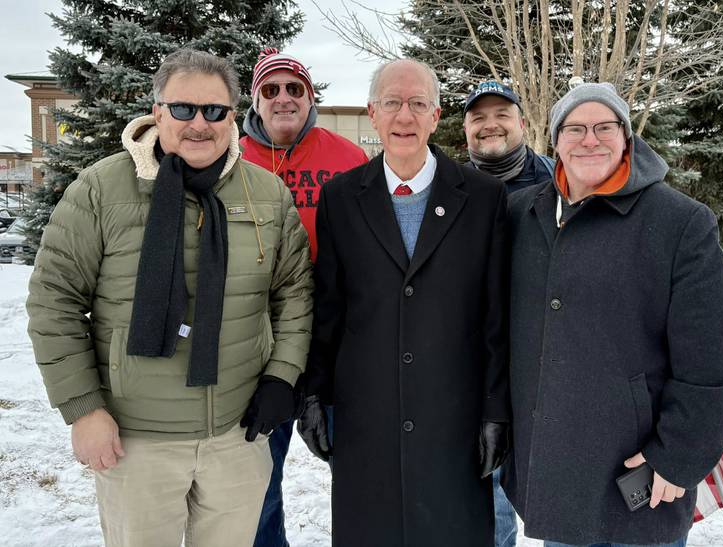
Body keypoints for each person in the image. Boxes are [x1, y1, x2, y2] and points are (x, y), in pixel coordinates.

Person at [26, 49, 313, 547]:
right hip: (136, 444)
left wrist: (282, 377)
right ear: (157, 111)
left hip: (236, 437)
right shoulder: (101, 189)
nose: (199, 124)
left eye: (214, 110)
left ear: (233, 116)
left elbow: (293, 295)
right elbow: (55, 299)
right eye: (183, 109)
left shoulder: (266, 193)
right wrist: (83, 408)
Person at [503, 81, 723, 546]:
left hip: (640, 479)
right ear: (555, 140)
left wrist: (678, 456)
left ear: (627, 137)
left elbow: (716, 360)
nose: (589, 139)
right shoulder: (522, 213)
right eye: (574, 128)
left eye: (604, 126)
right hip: (558, 477)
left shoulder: (679, 223)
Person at [297, 59, 511, 547]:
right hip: (366, 418)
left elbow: (495, 316)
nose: (404, 116)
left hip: (453, 418)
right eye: (392, 103)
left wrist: (497, 409)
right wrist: (313, 392)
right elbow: (329, 307)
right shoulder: (340, 197)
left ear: (436, 116)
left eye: (418, 104)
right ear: (373, 113)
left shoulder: (482, 197)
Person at [239, 47, 368, 547]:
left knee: (359, 478)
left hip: (336, 344)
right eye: (270, 89)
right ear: (256, 100)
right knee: (257, 486)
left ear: (310, 97)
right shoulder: (230, 155)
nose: (284, 98)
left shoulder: (347, 156)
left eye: (295, 88)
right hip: (256, 346)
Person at [463, 80, 556, 547]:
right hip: (481, 366)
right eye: (478, 117)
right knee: (489, 496)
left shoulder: (559, 182)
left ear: (522, 121)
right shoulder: (452, 187)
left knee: (556, 497)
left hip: (547, 361)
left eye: (501, 113)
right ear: (464, 130)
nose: (490, 124)